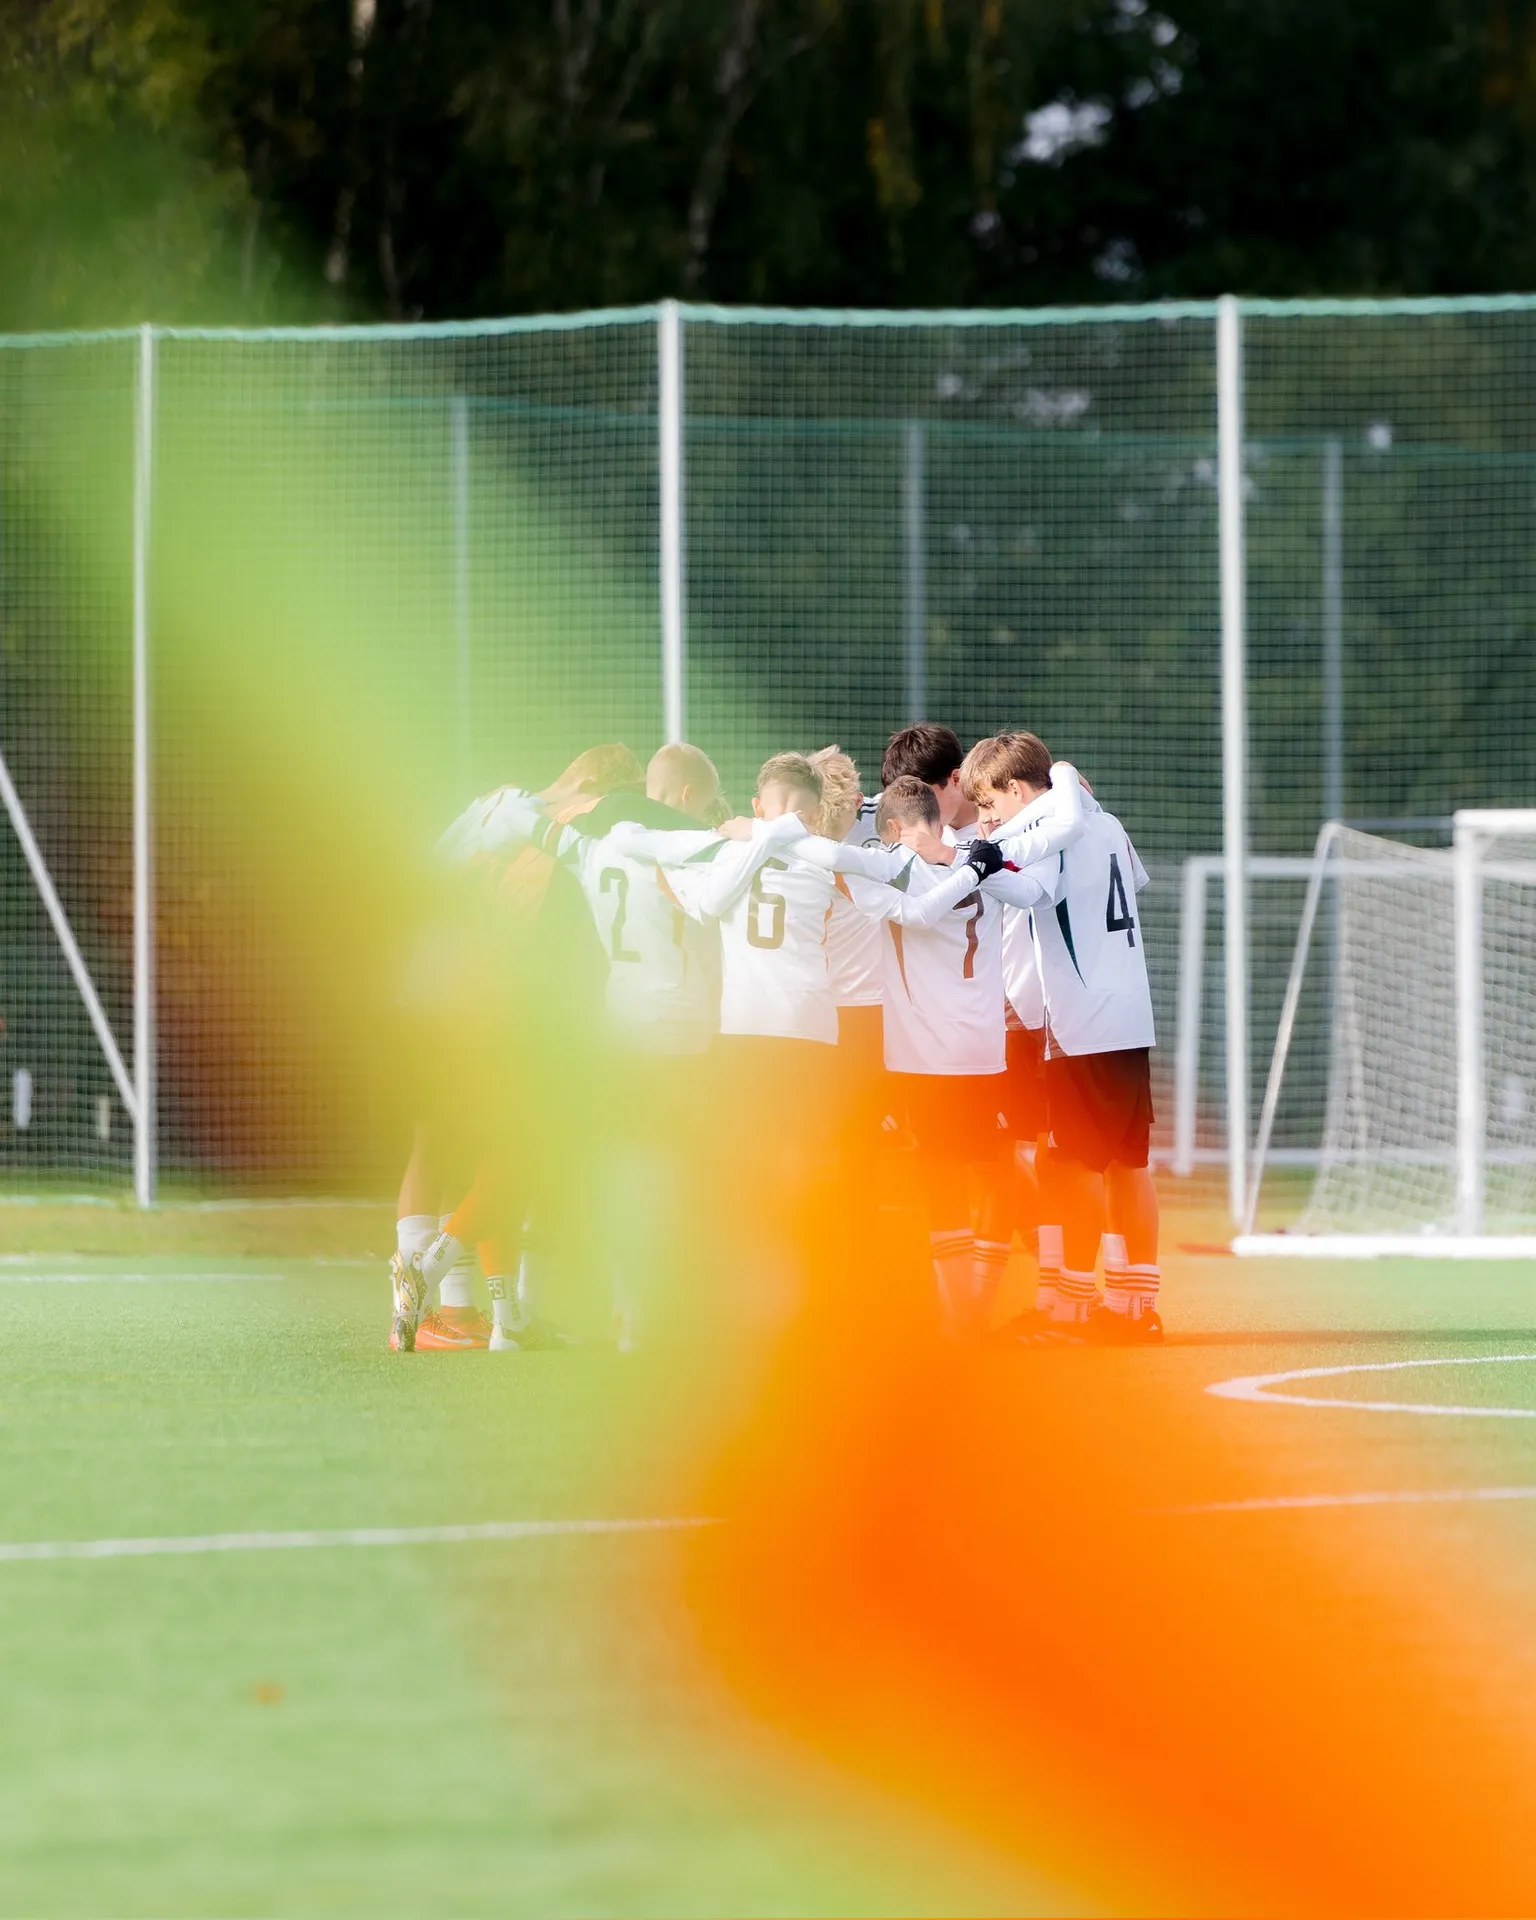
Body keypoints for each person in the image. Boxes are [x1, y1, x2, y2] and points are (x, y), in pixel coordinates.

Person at [789, 762, 1084, 1330]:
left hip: (923, 1057)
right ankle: (1032, 1287)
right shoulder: (981, 854)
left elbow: (877, 886)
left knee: (941, 1183)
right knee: (999, 1169)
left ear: (891, 829)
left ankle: (959, 1315)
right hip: (985, 1051)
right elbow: (1035, 890)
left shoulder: (890, 866)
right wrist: (1062, 787)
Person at [969, 732, 1161, 1343]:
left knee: (1073, 1164)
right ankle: (1135, 1307)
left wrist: (973, 870)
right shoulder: (1106, 823)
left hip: (1081, 1024)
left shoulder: (1051, 828)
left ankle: (1072, 1308)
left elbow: (1032, 891)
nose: (987, 816)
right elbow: (1132, 882)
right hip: (1129, 1016)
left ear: (1017, 789)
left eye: (990, 802)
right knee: (1129, 1164)